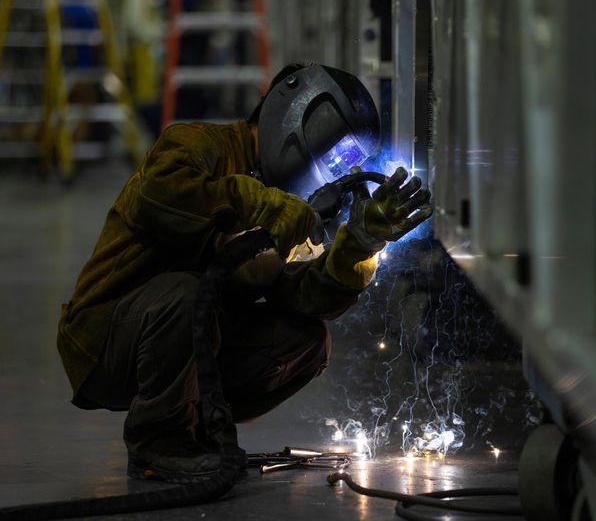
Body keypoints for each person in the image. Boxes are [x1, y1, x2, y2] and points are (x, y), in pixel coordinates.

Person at [56, 63, 432, 483]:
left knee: (307, 341)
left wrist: (361, 243)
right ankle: (158, 441)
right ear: (293, 113)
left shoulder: (293, 210)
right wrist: (269, 205)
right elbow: (158, 196)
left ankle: (194, 429)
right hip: (105, 340)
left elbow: (307, 296)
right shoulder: (198, 144)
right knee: (186, 293)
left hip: (189, 340)